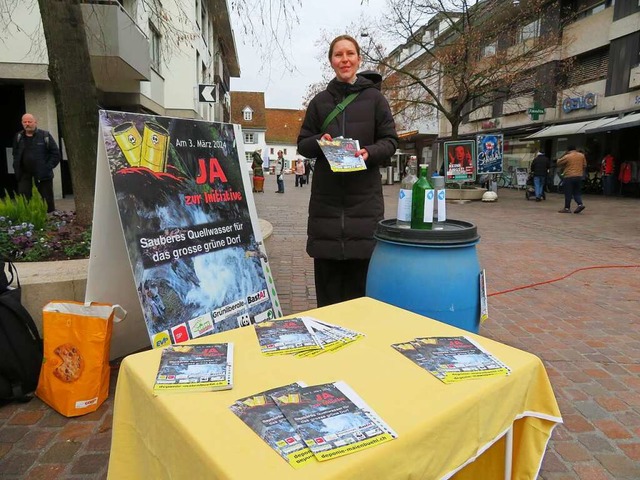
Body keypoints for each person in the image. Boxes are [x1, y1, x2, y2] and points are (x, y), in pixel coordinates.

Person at [297, 34, 398, 308]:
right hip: (326, 206)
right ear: (331, 61)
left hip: (363, 205)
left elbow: (390, 141)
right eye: (339, 55)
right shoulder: (319, 102)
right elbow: (302, 144)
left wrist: (370, 152)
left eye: (350, 54)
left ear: (358, 58)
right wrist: (321, 142)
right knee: (328, 297)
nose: (345, 59)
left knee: (360, 297)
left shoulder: (376, 100)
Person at [12, 113, 60, 212]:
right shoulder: (18, 137)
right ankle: (27, 219)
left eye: (29, 121)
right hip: (24, 174)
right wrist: (16, 167)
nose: (27, 124)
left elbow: (55, 154)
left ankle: (50, 219)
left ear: (35, 122)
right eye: (24, 122)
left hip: (43, 174)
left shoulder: (44, 136)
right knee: (24, 199)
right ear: (22, 123)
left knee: (47, 200)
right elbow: (15, 153)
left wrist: (47, 167)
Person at [556, 146, 586, 214]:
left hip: (569, 176)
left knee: (568, 192)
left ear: (568, 150)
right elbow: (584, 165)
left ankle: (567, 208)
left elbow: (559, 163)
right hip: (578, 176)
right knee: (577, 192)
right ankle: (580, 204)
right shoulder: (582, 155)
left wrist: (563, 155)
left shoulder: (567, 156)